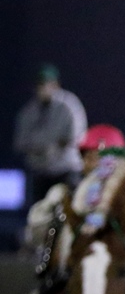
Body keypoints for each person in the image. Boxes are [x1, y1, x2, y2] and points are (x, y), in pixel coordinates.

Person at [12, 63, 88, 204]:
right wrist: (38, 149)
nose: (44, 88)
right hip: (41, 172)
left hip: (66, 170)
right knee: (40, 215)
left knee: (70, 211)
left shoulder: (69, 105)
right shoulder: (28, 112)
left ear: (56, 84)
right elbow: (20, 143)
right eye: (40, 84)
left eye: (48, 83)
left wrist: (55, 147)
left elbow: (78, 137)